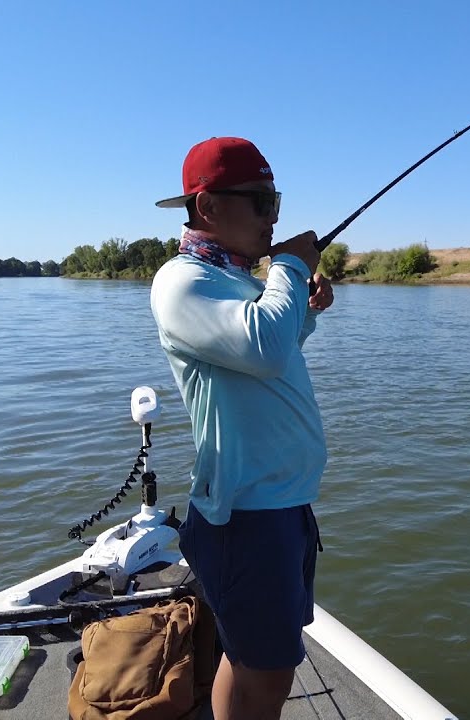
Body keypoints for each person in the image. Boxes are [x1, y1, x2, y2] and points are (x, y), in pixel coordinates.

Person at [149, 137, 333, 720]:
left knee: (248, 659)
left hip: (280, 504)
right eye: (260, 201)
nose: (273, 216)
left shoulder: (231, 279)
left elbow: (267, 359)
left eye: (274, 199)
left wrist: (301, 310)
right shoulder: (182, 282)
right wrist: (291, 266)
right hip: (248, 516)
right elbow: (264, 346)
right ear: (207, 208)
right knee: (270, 671)